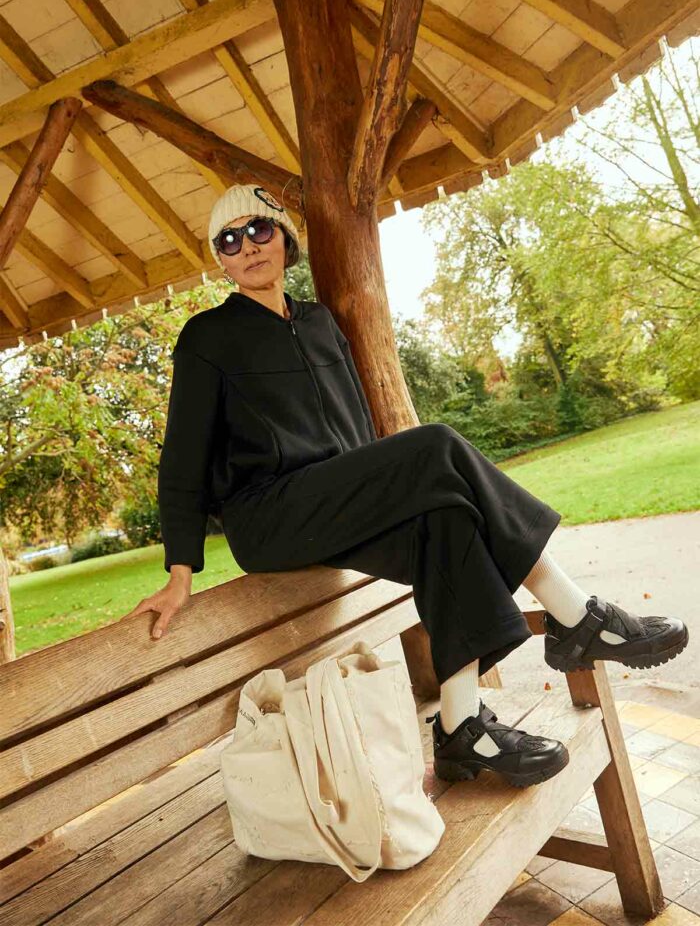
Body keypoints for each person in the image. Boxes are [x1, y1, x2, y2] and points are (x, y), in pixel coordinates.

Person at [124, 182, 690, 788]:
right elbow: (182, 459)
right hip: (270, 516)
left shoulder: (318, 324)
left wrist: (387, 495)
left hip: (333, 502)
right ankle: (576, 617)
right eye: (228, 241)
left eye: (259, 230)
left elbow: (359, 425)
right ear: (221, 260)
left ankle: (462, 729)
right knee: (437, 444)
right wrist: (180, 570)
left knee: (444, 521)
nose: (247, 248)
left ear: (283, 238)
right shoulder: (208, 337)